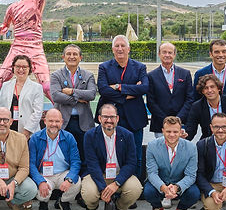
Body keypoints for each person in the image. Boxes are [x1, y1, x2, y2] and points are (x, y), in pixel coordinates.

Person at [81, 103, 144, 210]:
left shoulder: (127, 135)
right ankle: (91, 207)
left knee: (135, 188)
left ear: (117, 119)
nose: (109, 120)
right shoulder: (90, 136)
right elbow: (92, 164)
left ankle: (121, 208)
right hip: (98, 174)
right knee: (89, 193)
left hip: (119, 174)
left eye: (112, 117)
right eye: (105, 117)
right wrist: (103, 188)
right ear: (99, 118)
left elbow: (131, 163)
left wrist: (117, 183)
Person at [0, 0, 52, 93]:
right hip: (17, 46)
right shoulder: (12, 7)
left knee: (47, 86)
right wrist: (1, 29)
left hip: (35, 46)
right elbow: (6, 25)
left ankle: (59, 111)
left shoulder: (37, 1)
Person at [96, 35, 149, 175]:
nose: (120, 49)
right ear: (113, 49)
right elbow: (103, 90)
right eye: (117, 46)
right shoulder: (104, 67)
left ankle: (135, 186)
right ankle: (112, 185)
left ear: (128, 49)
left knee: (135, 155)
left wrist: (118, 87)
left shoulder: (140, 67)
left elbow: (144, 88)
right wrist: (129, 94)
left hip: (135, 119)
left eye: (123, 46)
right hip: (111, 118)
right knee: (111, 154)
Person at [144, 116, 200, 210]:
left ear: (180, 132)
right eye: (168, 131)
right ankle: (157, 208)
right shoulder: (152, 146)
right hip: (161, 182)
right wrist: (164, 188)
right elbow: (152, 173)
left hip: (180, 183)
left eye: (175, 132)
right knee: (148, 191)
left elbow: (191, 175)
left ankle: (182, 209)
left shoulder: (191, 148)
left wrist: (177, 187)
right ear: (163, 131)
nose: (172, 135)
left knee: (194, 193)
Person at [28, 108, 82, 210]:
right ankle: (44, 202)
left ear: (62, 122)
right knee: (40, 193)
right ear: (45, 121)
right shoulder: (35, 138)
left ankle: (63, 201)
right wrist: (40, 181)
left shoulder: (69, 137)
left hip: (63, 173)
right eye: (51, 121)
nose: (54, 124)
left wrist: (69, 179)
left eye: (57, 121)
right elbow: (31, 164)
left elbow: (76, 162)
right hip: (44, 175)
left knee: (76, 183)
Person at [49, 44, 97, 156]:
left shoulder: (88, 75)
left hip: (83, 123)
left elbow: (91, 94)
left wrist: (71, 91)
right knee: (64, 155)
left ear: (80, 57)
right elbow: (56, 96)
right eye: (68, 54)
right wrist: (79, 99)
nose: (72, 57)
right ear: (63, 57)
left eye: (75, 54)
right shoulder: (56, 75)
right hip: (63, 122)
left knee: (84, 155)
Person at [146, 42, 195, 134]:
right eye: (164, 52)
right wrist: (166, 121)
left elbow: (189, 99)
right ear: (159, 54)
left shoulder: (185, 74)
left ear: (174, 54)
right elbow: (151, 102)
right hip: (160, 125)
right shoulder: (151, 76)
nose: (167, 55)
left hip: (182, 123)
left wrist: (178, 119)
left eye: (170, 52)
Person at [187, 74, 226, 143]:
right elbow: (191, 130)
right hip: (209, 143)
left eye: (212, 87)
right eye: (206, 88)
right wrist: (184, 135)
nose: (209, 90)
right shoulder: (197, 106)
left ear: (218, 88)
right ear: (202, 91)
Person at [0, 54, 44, 136]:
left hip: (29, 132)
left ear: (29, 68)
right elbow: (0, 108)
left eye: (24, 67)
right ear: (13, 68)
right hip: (8, 131)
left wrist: (27, 130)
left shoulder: (37, 88)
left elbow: (37, 112)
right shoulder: (5, 86)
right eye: (18, 66)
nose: (21, 69)